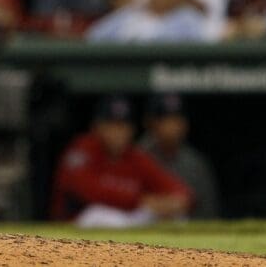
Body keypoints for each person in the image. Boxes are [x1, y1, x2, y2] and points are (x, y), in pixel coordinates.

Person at [51, 96, 193, 227]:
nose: (118, 132)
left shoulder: (135, 156)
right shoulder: (82, 150)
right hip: (78, 222)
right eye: (112, 125)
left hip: (126, 216)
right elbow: (87, 190)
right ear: (97, 126)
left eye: (123, 125)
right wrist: (140, 200)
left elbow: (180, 190)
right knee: (99, 215)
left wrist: (173, 203)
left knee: (176, 217)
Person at [139, 94, 220, 219]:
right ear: (150, 122)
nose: (172, 126)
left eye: (177, 119)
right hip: (140, 224)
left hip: (183, 227)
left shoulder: (195, 163)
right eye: (165, 119)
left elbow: (207, 211)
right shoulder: (136, 156)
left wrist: (177, 204)